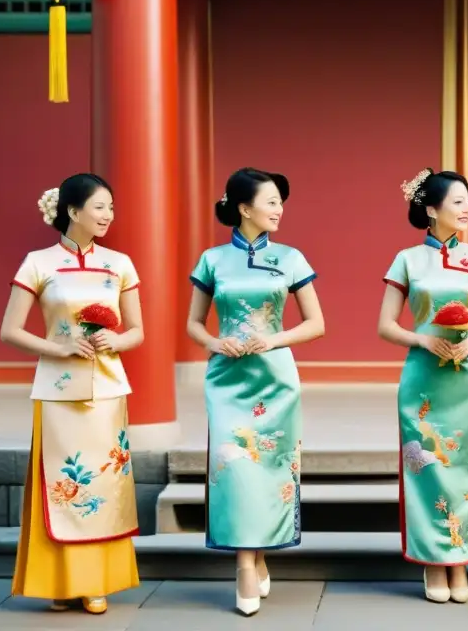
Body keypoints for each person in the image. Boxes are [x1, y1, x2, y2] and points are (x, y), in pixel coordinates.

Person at [0, 174, 144, 615]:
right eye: (99, 207)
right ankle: (61, 581)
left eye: (111, 208)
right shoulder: (38, 263)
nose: (107, 216)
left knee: (102, 482)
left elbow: (137, 332)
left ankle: (95, 581)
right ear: (72, 210)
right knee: (62, 485)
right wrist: (59, 347)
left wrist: (116, 341)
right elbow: (10, 331)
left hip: (106, 389)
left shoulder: (119, 263)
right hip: (58, 392)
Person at [186, 167, 325, 617]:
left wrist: (272, 339)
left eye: (280, 202)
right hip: (227, 379)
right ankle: (246, 565)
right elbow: (192, 324)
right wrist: (214, 342)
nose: (279, 209)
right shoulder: (211, 260)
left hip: (275, 380)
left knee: (268, 470)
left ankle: (257, 554)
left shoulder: (291, 258)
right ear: (244, 208)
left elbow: (315, 325)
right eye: (270, 202)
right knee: (237, 468)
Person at [377, 168, 468, 604]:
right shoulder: (407, 259)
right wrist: (424, 338)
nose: (467, 208)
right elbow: (386, 325)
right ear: (431, 210)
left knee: (467, 466)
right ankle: (433, 561)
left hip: (467, 377)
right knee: (428, 466)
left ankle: (460, 560)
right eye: (457, 201)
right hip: (424, 378)